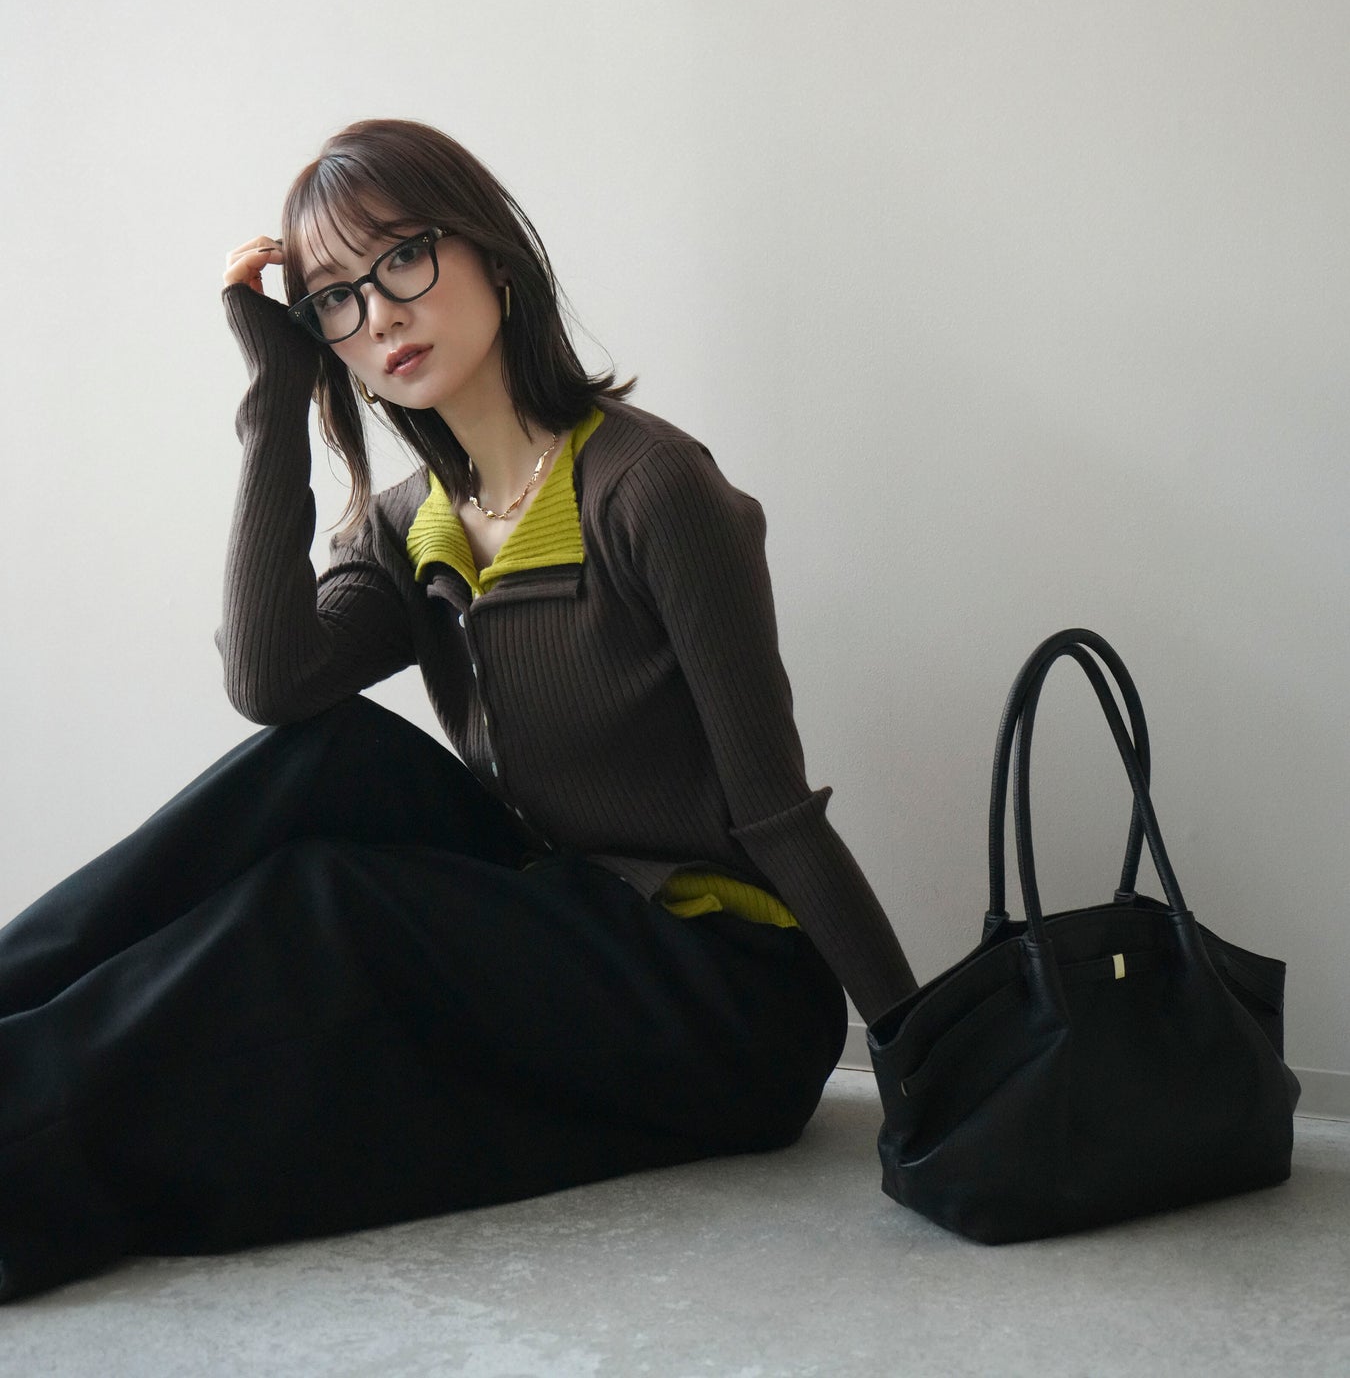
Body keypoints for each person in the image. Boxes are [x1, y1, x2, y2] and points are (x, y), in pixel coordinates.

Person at [0, 118, 918, 1303]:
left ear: (495, 255)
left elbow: (777, 810)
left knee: (326, 898)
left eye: (403, 258)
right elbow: (271, 685)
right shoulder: (412, 522)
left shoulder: (651, 490)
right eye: (335, 298)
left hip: (721, 991)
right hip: (564, 913)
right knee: (322, 758)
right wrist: (275, 394)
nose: (380, 313)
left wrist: (923, 1050)